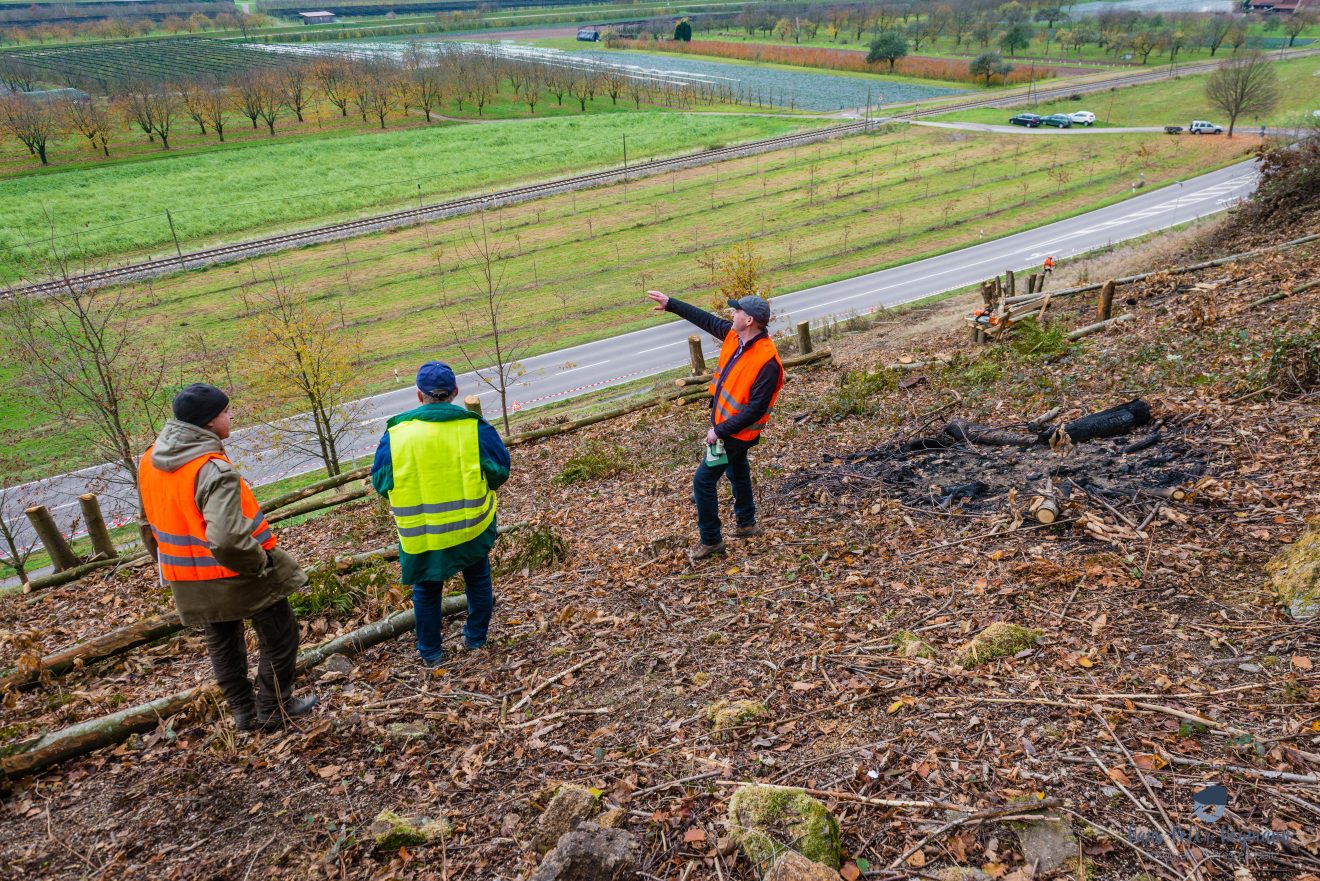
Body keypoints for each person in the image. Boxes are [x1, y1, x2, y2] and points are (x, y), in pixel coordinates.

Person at [139, 383, 315, 732]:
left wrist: (170, 562)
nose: (230, 415)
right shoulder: (211, 469)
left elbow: (147, 524)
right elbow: (227, 538)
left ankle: (243, 712)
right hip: (237, 572)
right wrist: (258, 564)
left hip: (186, 575)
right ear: (208, 423)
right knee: (281, 635)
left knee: (221, 640)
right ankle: (274, 707)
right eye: (225, 411)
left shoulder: (149, 460)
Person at [371, 362, 510, 668]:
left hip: (423, 535)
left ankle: (431, 653)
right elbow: (500, 471)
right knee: (478, 580)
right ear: (455, 393)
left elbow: (381, 482)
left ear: (419, 395)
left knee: (426, 590)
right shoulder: (474, 428)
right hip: (471, 528)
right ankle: (475, 640)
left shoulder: (397, 435)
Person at [645, 290, 784, 560]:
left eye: (737, 312)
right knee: (737, 470)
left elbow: (755, 409)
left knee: (703, 481)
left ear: (749, 321)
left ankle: (711, 540)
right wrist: (672, 304)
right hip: (726, 425)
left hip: (736, 432)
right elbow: (706, 320)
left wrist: (719, 431)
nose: (731, 314)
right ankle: (746, 523)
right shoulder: (736, 337)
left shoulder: (767, 362)